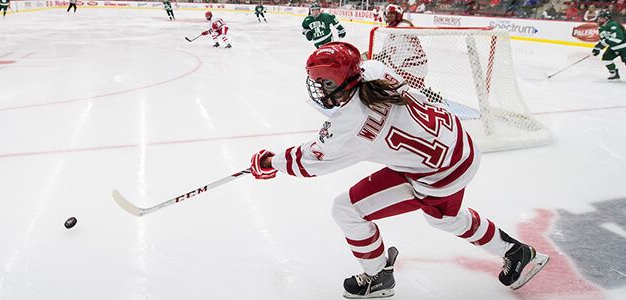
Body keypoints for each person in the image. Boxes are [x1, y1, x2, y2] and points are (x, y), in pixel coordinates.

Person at [249, 42, 550, 299]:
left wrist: (269, 162)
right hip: (459, 146)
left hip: (438, 173)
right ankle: (515, 252)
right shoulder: (377, 71)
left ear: (334, 82)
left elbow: (310, 162)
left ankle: (378, 274)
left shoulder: (351, 122)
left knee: (346, 209)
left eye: (321, 81)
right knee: (444, 218)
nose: (317, 87)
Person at [592, 10, 626, 80]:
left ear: (606, 18)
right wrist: (597, 48)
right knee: (606, 58)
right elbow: (604, 40)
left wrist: (605, 43)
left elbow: (618, 39)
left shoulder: (613, 24)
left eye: (601, 18)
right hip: (613, 48)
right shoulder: (601, 28)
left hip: (624, 47)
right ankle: (614, 74)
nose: (599, 20)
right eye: (598, 18)